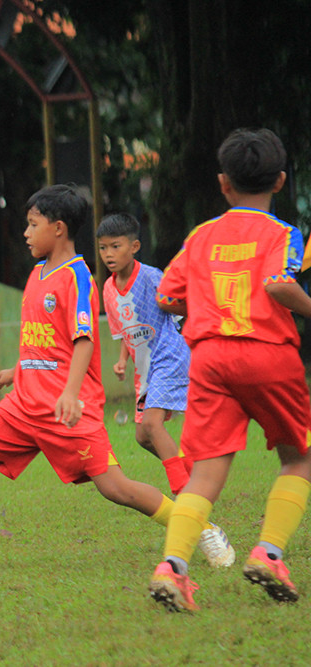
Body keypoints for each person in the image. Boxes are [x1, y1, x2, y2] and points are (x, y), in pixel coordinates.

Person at [0, 184, 210, 576]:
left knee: (117, 488)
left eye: (32, 225)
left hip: (67, 410)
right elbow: (41, 338)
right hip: (23, 404)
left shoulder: (77, 277)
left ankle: (196, 525)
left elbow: (83, 341)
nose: (26, 233)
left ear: (59, 228)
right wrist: (17, 369)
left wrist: (68, 394)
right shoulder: (36, 274)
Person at [148, 128, 311, 612]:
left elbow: (167, 296)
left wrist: (201, 302)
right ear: (280, 180)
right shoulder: (283, 234)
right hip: (266, 353)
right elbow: (282, 285)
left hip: (210, 359)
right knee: (298, 456)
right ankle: (269, 553)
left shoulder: (200, 236)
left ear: (223, 184)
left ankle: (172, 569)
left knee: (205, 472)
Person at [97, 213, 234, 567]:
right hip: (146, 367)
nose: (109, 254)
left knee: (154, 426)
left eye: (116, 246)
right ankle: (197, 480)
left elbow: (182, 305)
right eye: (102, 248)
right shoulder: (109, 289)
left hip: (170, 356)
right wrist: (123, 360)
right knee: (143, 436)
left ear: (134, 246)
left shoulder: (153, 277)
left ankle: (197, 516)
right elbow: (127, 330)